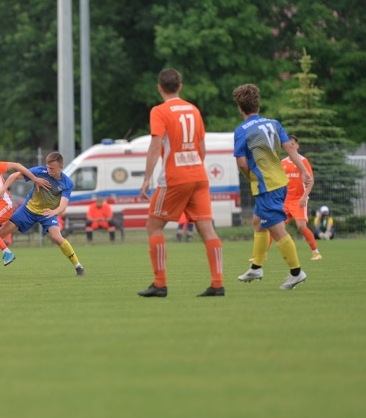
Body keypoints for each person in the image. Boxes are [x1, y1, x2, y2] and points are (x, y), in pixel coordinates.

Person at [136, 69, 224, 298]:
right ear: (180, 86)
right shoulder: (194, 110)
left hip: (174, 178)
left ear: (159, 87)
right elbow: (202, 146)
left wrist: (147, 178)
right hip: (199, 176)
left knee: (154, 227)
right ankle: (217, 283)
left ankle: (160, 283)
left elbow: (156, 145)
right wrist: (195, 167)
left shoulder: (159, 111)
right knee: (208, 230)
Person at [233, 84, 312, 290]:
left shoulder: (242, 130)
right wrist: (303, 170)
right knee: (258, 222)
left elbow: (241, 163)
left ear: (240, 108)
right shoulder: (274, 123)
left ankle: (296, 272)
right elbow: (289, 148)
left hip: (266, 185)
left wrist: (250, 176)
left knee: (277, 230)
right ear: (257, 104)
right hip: (280, 181)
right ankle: (256, 267)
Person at [0, 151, 86, 276]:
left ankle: (78, 266)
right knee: (1, 232)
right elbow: (14, 176)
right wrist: (2, 189)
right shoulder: (40, 171)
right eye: (48, 167)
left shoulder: (67, 183)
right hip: (28, 210)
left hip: (48, 213)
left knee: (57, 238)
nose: (49, 170)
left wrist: (54, 212)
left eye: (52, 168)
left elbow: (63, 205)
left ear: (61, 167)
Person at [249, 135, 320, 261]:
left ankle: (316, 252)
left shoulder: (303, 161)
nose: (290, 146)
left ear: (297, 146)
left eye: (293, 144)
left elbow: (311, 180)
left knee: (301, 226)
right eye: (288, 144)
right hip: (285, 200)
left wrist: (304, 197)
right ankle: (262, 255)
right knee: (274, 226)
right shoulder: (283, 163)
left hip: (299, 200)